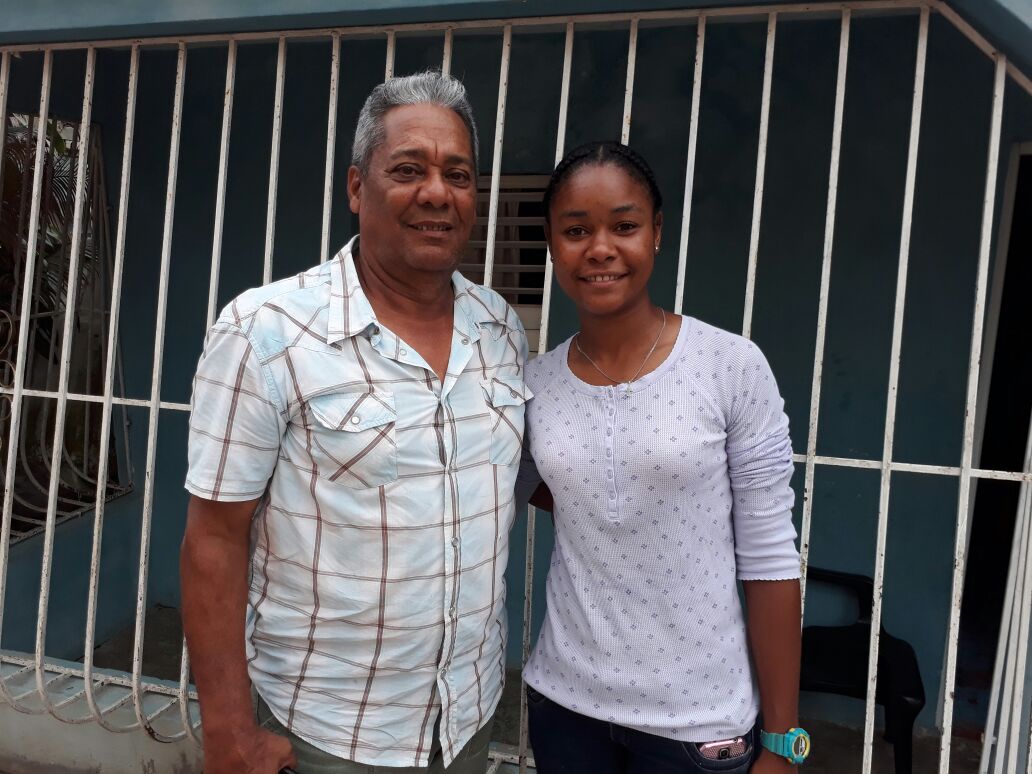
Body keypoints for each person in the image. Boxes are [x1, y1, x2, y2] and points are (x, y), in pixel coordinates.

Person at [180, 71, 530, 774]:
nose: (437, 192)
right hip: (325, 733)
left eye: (457, 174)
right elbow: (214, 540)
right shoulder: (267, 331)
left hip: (465, 721)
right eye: (408, 170)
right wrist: (227, 731)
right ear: (355, 188)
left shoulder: (500, 328)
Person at [517, 141, 809, 773]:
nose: (599, 248)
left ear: (656, 234)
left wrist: (783, 741)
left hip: (698, 722)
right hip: (566, 705)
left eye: (623, 225)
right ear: (550, 243)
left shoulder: (729, 367)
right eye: (575, 230)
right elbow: (550, 490)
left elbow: (770, 557)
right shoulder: (535, 385)